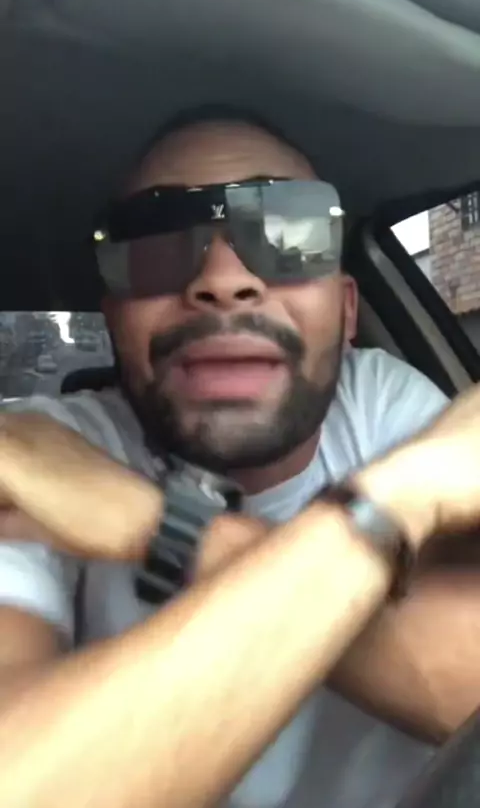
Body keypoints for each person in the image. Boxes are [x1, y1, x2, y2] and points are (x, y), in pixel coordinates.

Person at [0, 106, 476, 808]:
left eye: (288, 236)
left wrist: (164, 525)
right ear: (115, 319)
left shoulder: (382, 402)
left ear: (347, 311)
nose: (223, 280)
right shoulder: (38, 454)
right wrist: (388, 512)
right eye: (158, 244)